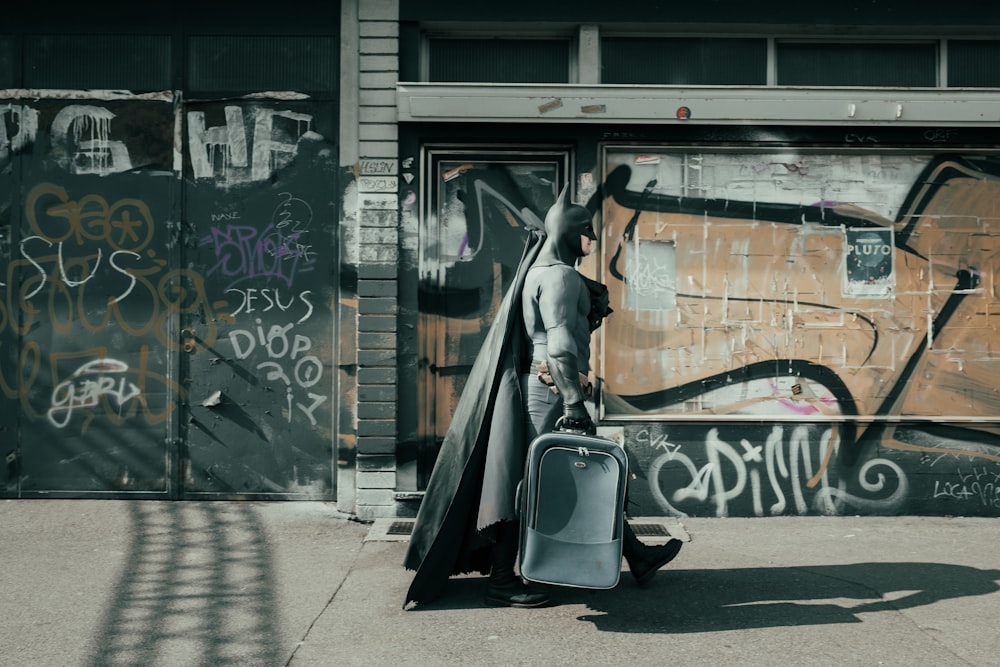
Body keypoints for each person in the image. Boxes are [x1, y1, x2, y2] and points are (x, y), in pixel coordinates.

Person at [402, 186, 681, 610]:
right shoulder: (560, 276)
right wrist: (573, 402)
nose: (592, 241)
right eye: (586, 232)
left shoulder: (540, 271)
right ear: (569, 233)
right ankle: (501, 580)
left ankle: (637, 555)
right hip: (549, 391)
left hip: (539, 386)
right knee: (530, 482)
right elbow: (560, 347)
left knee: (560, 475)